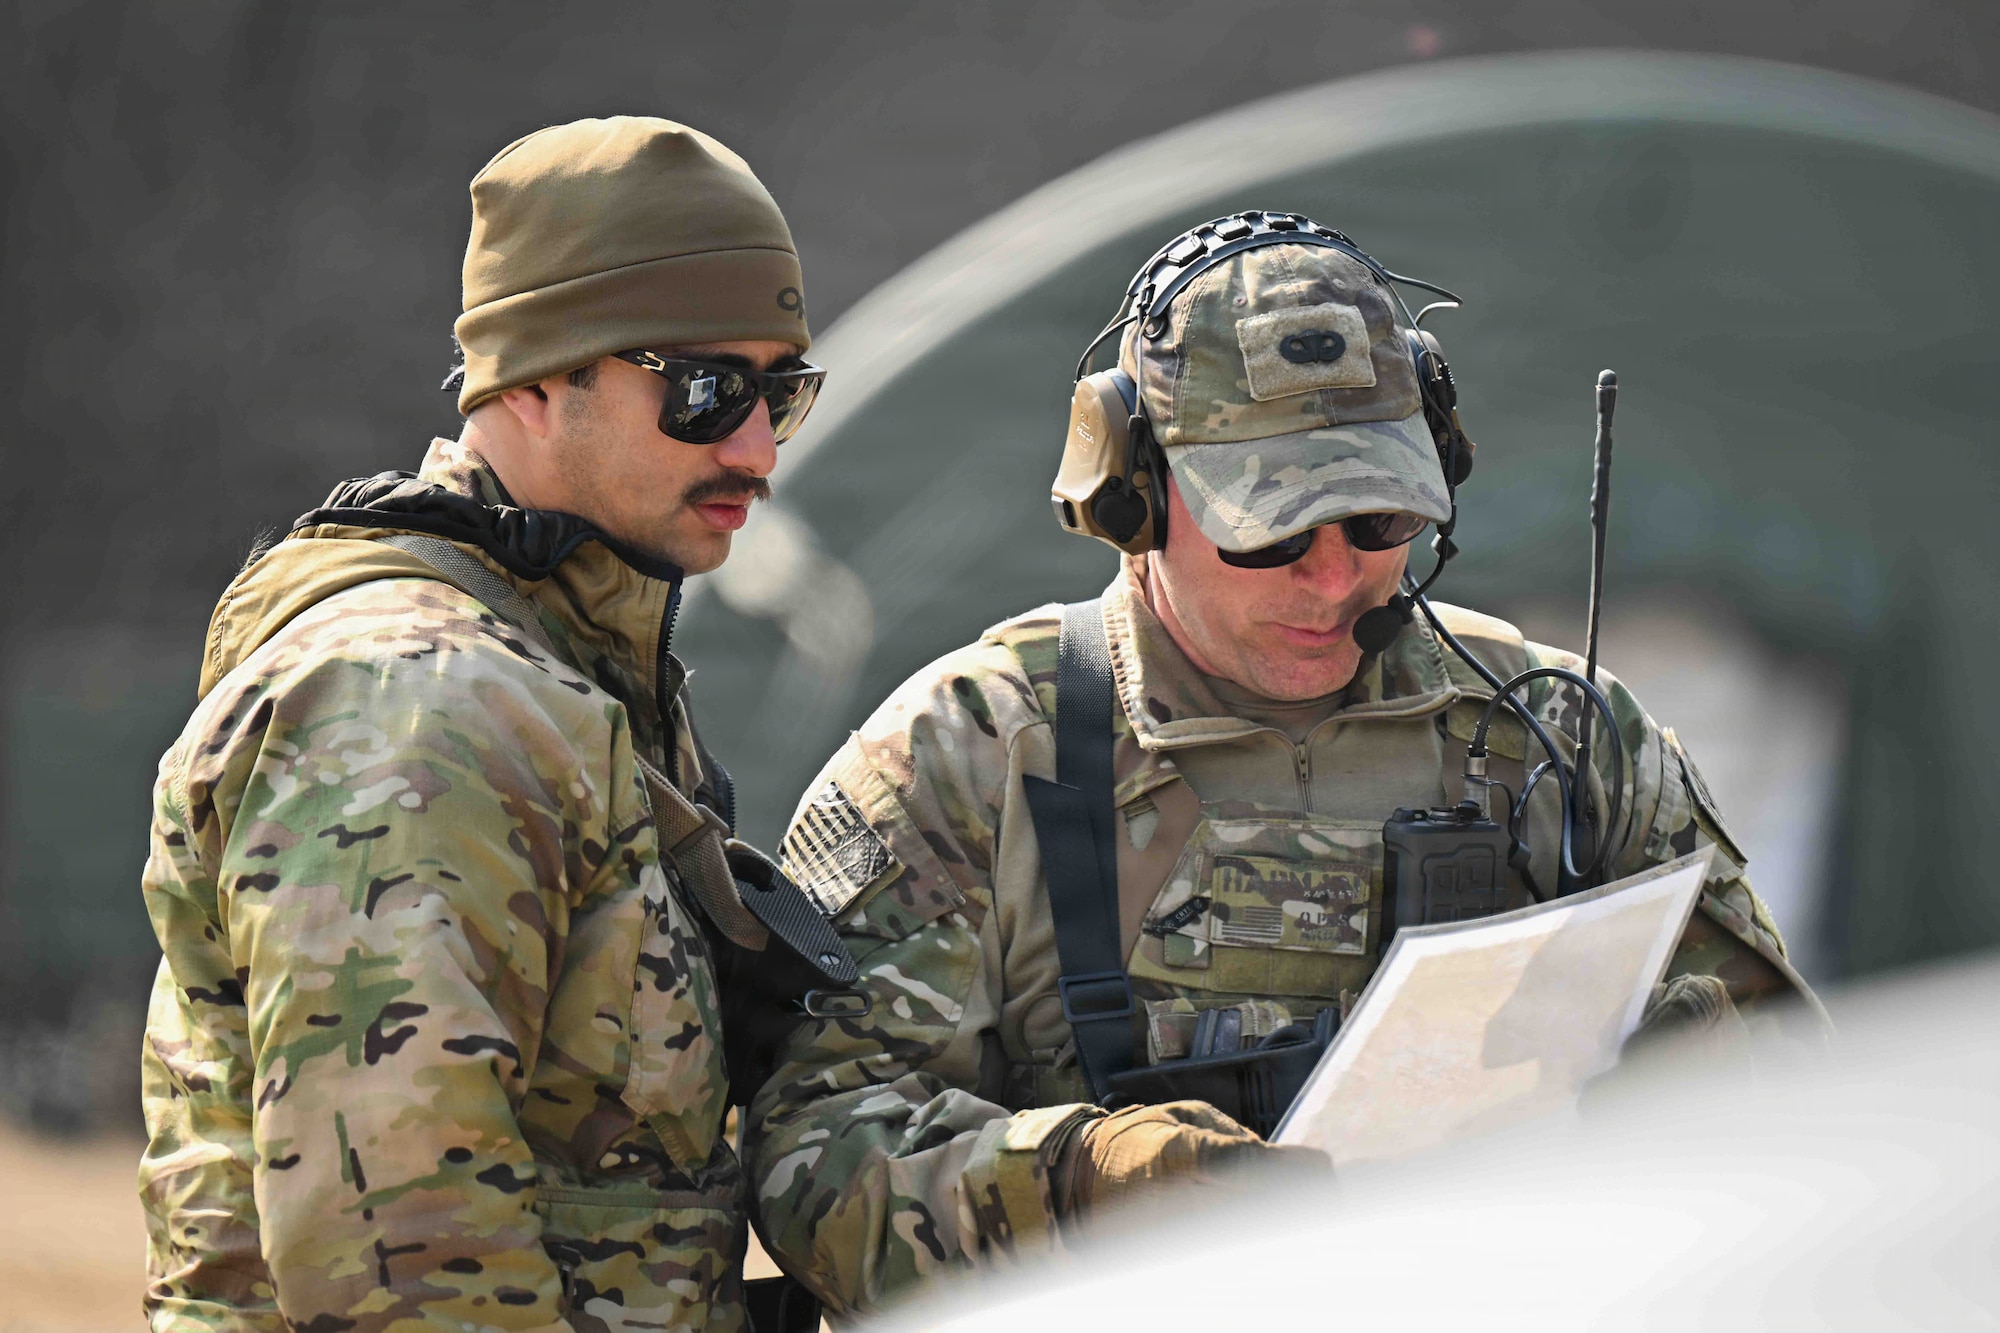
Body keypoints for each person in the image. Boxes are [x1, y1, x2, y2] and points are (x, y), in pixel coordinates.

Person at [746, 211, 1824, 1316]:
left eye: (1379, 520)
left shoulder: (1570, 740)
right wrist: (1078, 1188)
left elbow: (1806, 1113)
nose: (1332, 579)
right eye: (1271, 532)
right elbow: (806, 1155)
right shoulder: (969, 756)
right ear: (1133, 494)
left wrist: (1692, 1098)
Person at [138, 116, 830, 1332]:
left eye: (783, 389)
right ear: (538, 376)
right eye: (707, 390)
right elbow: (400, 1261)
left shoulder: (563, 660)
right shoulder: (418, 701)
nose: (757, 444)